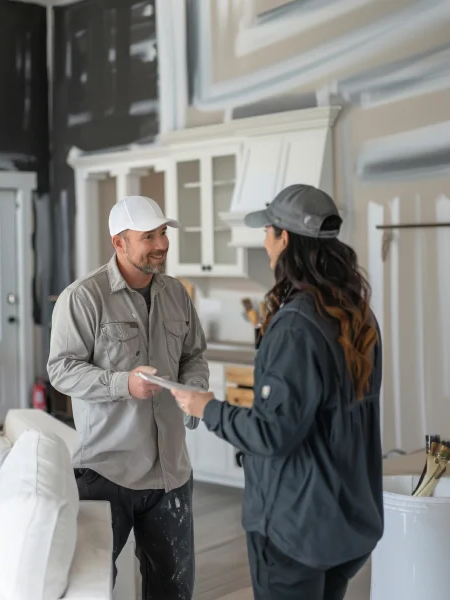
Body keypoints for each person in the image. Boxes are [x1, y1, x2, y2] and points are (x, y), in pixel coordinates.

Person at [172, 184, 384, 600]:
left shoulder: (296, 325)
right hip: (348, 520)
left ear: (284, 238)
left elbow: (272, 432)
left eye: (268, 232)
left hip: (295, 527)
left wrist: (209, 407)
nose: (265, 243)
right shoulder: (359, 314)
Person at [47, 195, 209, 600]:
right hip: (106, 470)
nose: (162, 244)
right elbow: (60, 369)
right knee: (93, 586)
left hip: (171, 471)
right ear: (119, 242)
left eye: (163, 233)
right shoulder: (84, 297)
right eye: (149, 236)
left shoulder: (176, 293)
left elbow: (194, 355)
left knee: (173, 590)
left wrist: (193, 388)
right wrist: (124, 384)